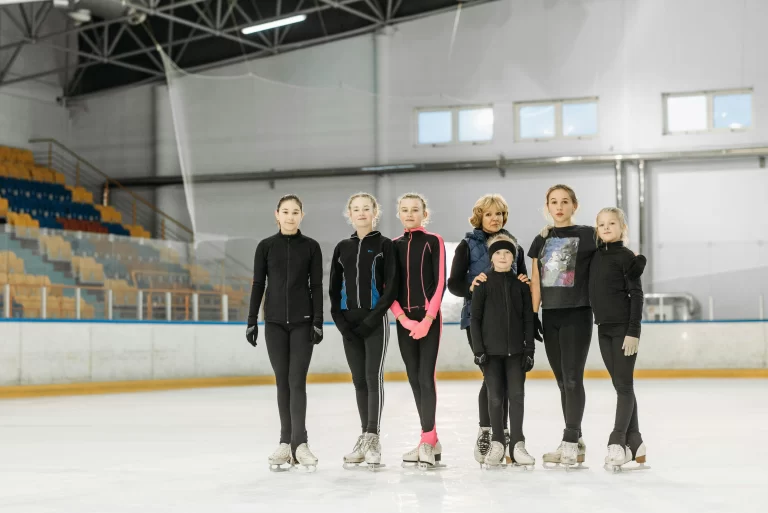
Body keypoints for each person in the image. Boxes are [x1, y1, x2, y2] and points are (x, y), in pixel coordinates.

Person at [447, 193, 532, 464]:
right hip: (478, 319)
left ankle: (505, 432)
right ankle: (490, 431)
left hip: (511, 323)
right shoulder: (467, 245)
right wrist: (471, 288)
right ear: (479, 217)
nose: (494, 219)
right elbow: (454, 283)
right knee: (491, 376)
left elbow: (522, 278)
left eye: (498, 214)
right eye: (488, 214)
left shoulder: (512, 244)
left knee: (509, 379)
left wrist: (522, 278)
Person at [246, 194, 324, 472]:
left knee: (297, 381)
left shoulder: (311, 247)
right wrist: (252, 319)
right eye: (286, 211)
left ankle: (299, 445)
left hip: (303, 323)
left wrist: (318, 320)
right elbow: (258, 284)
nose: (290, 216)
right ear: (276, 214)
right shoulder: (265, 246)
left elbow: (316, 286)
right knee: (282, 381)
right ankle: (284, 442)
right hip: (275, 323)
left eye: (295, 212)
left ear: (302, 215)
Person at [528, 184, 597, 468]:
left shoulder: (588, 235)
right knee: (560, 382)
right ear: (548, 207)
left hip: (578, 313)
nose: (559, 207)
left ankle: (569, 440)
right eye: (554, 202)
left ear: (574, 206)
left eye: (565, 201)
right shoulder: (541, 240)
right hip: (551, 315)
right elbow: (535, 280)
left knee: (572, 379)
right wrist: (533, 315)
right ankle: (575, 440)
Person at [329, 192, 398, 469]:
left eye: (366, 208)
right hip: (349, 323)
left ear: (374, 212)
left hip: (374, 321)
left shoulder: (384, 245)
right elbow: (333, 289)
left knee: (373, 378)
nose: (361, 213)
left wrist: (372, 319)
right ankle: (363, 436)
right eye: (356, 209)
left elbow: (391, 286)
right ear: (350, 213)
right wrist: (341, 322)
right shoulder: (342, 247)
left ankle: (373, 436)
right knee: (358, 380)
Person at [390, 192, 446, 468]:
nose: (410, 213)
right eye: (405, 209)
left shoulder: (433, 241)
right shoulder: (393, 245)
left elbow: (439, 283)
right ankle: (430, 440)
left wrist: (427, 319)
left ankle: (428, 439)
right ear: (398, 214)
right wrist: (403, 319)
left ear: (425, 214)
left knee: (426, 378)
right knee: (414, 380)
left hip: (429, 321)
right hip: (405, 323)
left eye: (415, 209)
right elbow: (389, 288)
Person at [470, 234, 536, 468]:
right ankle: (498, 441)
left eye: (507, 253)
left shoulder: (520, 284)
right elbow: (475, 318)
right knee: (495, 397)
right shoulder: (482, 283)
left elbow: (529, 319)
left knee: (517, 396)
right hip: (490, 354)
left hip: (517, 353)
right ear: (491, 257)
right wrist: (478, 349)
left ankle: (517, 444)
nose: (503, 256)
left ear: (514, 257)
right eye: (498, 253)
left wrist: (530, 349)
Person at [589, 207, 649, 471]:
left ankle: (618, 441)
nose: (606, 227)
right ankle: (635, 442)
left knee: (624, 386)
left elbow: (636, 295)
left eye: (611, 223)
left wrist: (633, 331)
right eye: (601, 224)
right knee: (620, 385)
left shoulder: (626, 258)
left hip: (624, 329)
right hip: (603, 329)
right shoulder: (595, 256)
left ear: (622, 228)